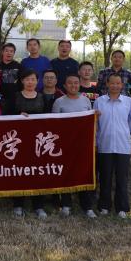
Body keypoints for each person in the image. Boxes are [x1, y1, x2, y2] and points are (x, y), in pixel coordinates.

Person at [94, 73, 131, 219]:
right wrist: (95, 143)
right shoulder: (99, 101)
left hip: (123, 146)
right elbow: (95, 125)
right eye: (112, 83)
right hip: (104, 146)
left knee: (122, 179)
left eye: (118, 83)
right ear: (107, 84)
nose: (115, 86)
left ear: (122, 85)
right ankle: (104, 206)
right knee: (105, 178)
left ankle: (122, 208)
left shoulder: (129, 102)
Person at [51, 74, 96, 218]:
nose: (73, 85)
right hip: (65, 145)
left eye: (76, 83)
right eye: (70, 83)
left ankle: (87, 207)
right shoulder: (59, 102)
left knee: (84, 174)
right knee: (66, 174)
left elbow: (90, 122)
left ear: (79, 85)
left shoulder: (86, 100)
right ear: (65, 86)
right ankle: (66, 205)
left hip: (83, 145)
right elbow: (54, 124)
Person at [12, 68, 46, 219]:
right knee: (19, 172)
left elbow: (49, 118)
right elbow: (6, 116)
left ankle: (38, 206)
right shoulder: (15, 96)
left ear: (37, 81)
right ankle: (18, 204)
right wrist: (17, 116)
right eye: (27, 79)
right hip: (19, 141)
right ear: (22, 81)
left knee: (38, 172)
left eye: (33, 79)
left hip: (39, 142)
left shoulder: (42, 97)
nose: (30, 82)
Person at [0, 42, 22, 115]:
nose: (9, 53)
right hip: (1, 100)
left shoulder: (19, 66)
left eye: (11, 51)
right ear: (2, 52)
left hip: (16, 100)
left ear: (14, 53)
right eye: (6, 51)